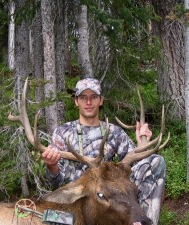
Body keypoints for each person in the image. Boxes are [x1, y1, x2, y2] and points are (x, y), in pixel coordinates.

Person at [42, 78, 166, 225]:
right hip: (79, 200)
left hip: (112, 199)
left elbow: (132, 170)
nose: (88, 102)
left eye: (93, 97)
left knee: (155, 161)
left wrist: (141, 144)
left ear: (101, 100)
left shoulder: (115, 132)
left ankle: (143, 221)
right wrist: (52, 166)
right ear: (76, 101)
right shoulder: (63, 133)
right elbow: (56, 181)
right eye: (83, 97)